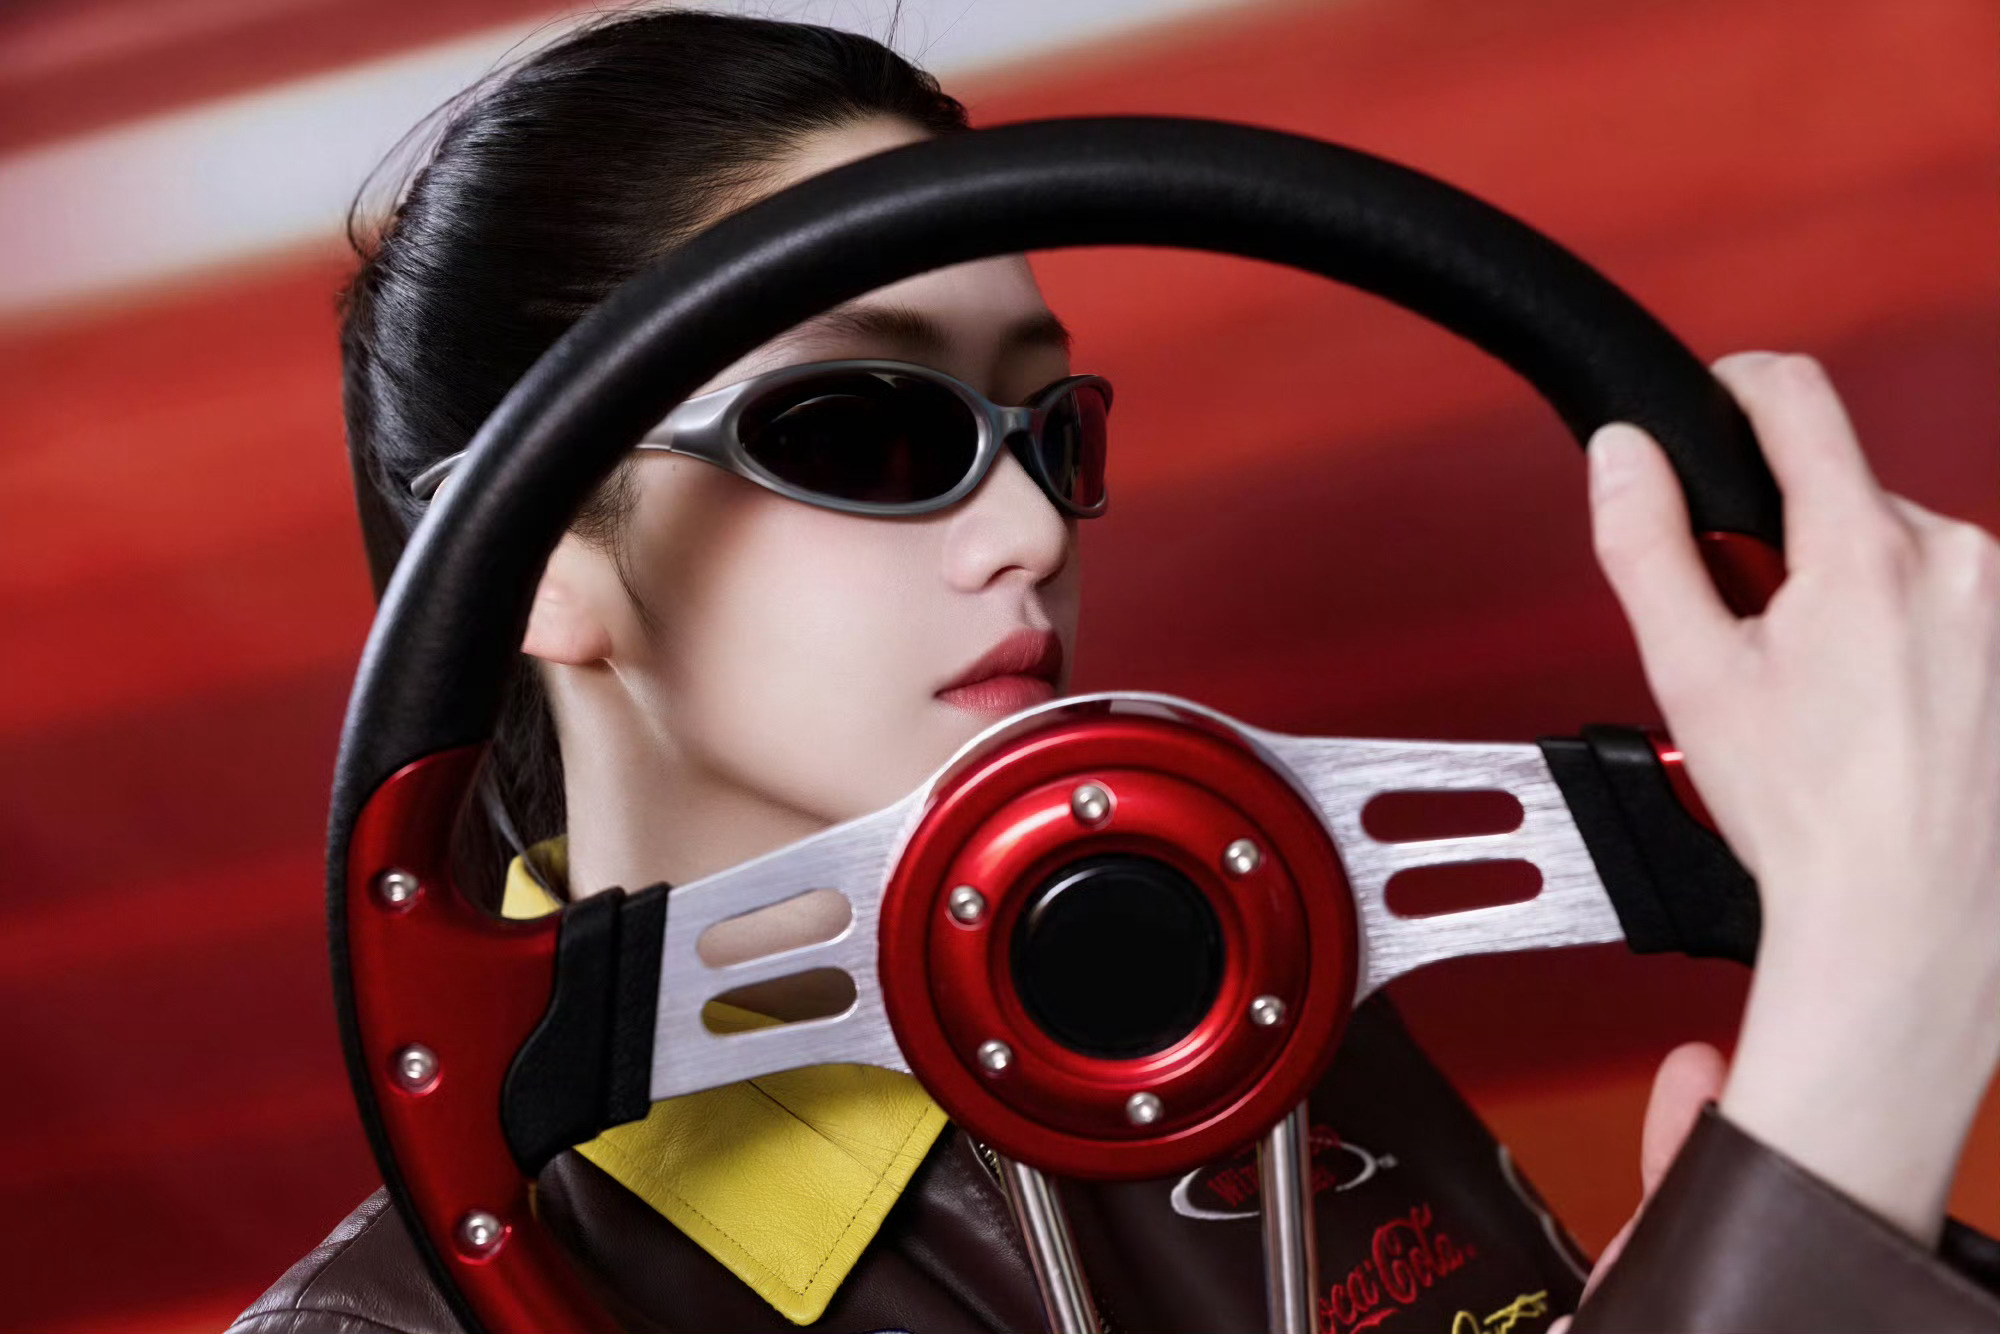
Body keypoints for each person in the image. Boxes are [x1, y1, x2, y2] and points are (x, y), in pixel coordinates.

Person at [235, 10, 2000, 1332]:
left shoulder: (1247, 958)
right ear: (532, 558)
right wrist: (1852, 1083)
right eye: (866, 427)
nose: (1030, 526)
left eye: (1046, 426)